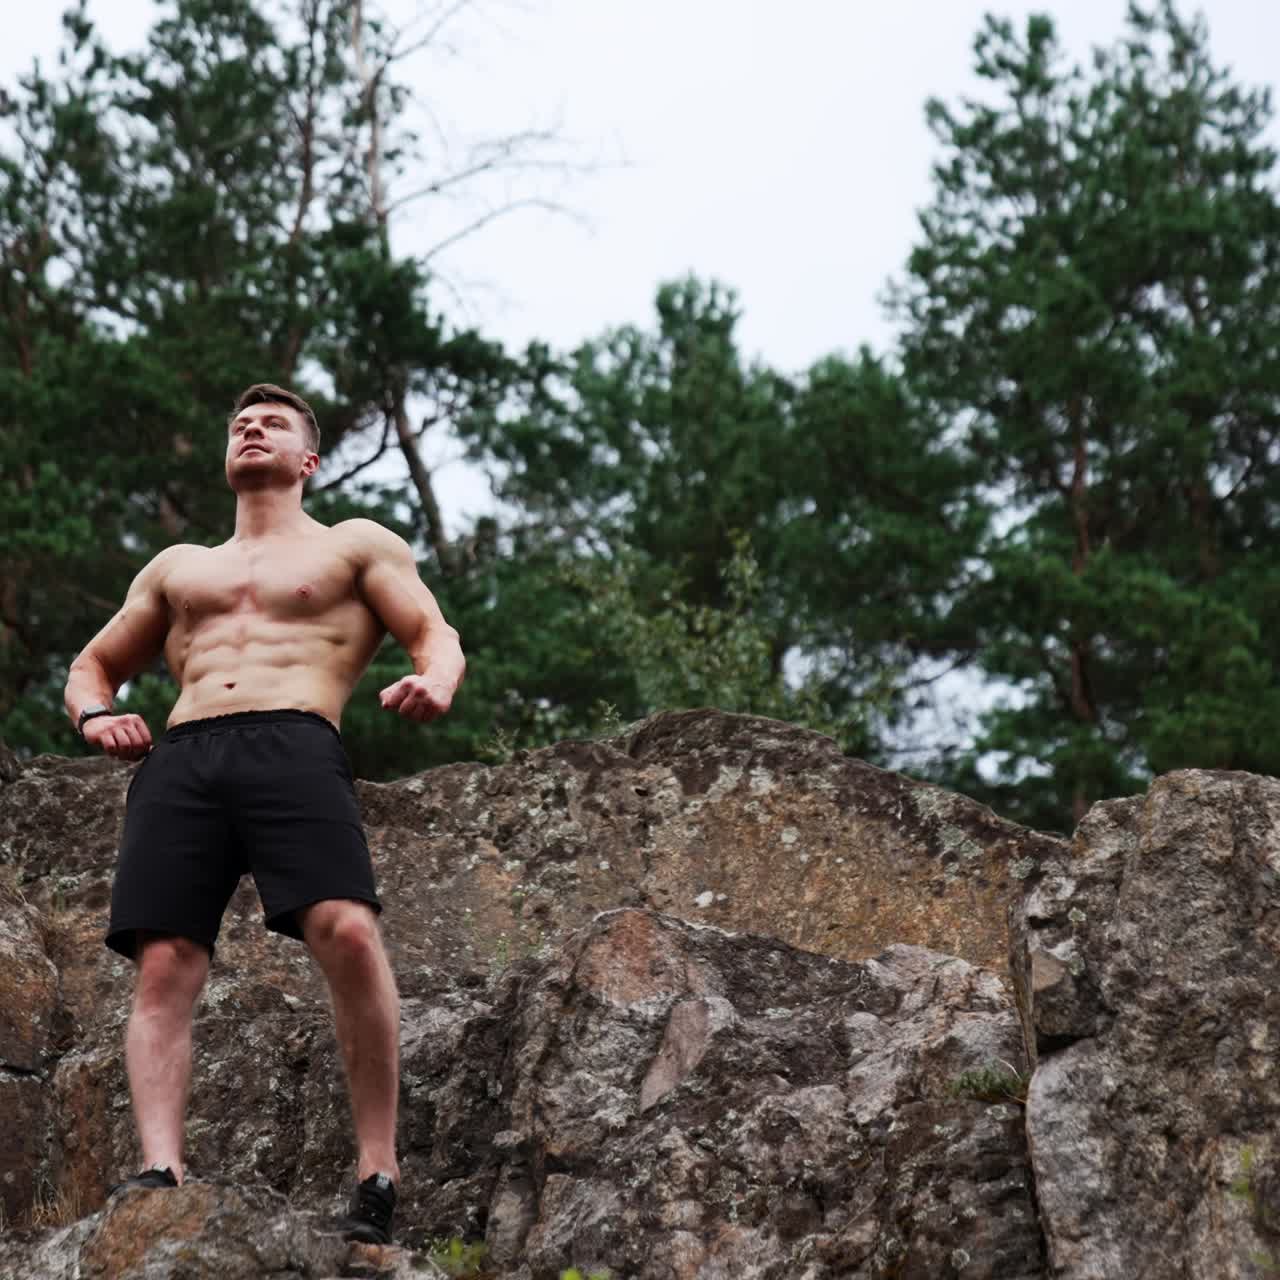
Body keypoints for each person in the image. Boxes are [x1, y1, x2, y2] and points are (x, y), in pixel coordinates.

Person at [63, 383, 465, 1246]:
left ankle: (377, 1171)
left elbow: (435, 632)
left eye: (272, 423)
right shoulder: (178, 567)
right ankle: (161, 1168)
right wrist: (98, 715)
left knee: (348, 930)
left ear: (308, 460)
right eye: (239, 422)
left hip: (295, 741)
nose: (250, 428)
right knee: (164, 962)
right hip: (183, 758)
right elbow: (91, 666)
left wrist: (435, 679)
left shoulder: (356, 545)